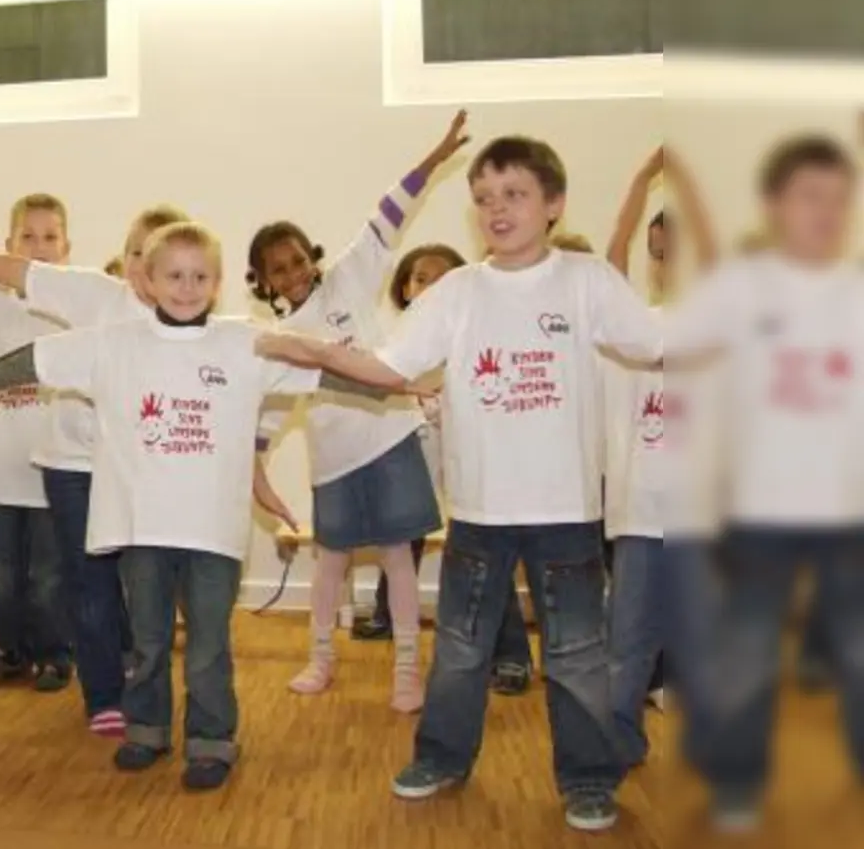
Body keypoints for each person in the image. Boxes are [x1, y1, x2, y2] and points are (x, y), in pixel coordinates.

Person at [258, 135, 661, 832]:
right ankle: (442, 758)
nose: (497, 209)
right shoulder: (456, 292)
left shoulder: (588, 280)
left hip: (568, 512)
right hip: (479, 513)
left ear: (554, 204)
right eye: (483, 198)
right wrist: (305, 348)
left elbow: (657, 342)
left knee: (575, 656)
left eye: (514, 195)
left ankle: (589, 779)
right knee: (462, 649)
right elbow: (387, 368)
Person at [0, 221, 324, 791]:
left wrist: (392, 379)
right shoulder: (115, 342)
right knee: (150, 639)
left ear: (218, 283)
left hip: (214, 533)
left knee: (207, 643)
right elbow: (43, 356)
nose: (187, 288)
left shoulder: (245, 342)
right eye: (175, 276)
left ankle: (211, 738)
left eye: (200, 277)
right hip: (142, 528)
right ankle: (147, 728)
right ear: (148, 280)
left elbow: (322, 363)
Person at [667, 134, 864, 833]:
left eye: (840, 198)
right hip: (757, 517)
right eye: (811, 196)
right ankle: (737, 781)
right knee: (748, 656)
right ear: (774, 204)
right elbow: (669, 347)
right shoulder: (738, 290)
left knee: (859, 653)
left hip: (850, 517)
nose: (827, 212)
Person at [247, 111, 469, 711]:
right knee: (330, 563)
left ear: (312, 256)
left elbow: (389, 211)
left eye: (298, 259)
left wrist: (435, 158)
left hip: (391, 442)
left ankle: (407, 671)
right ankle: (320, 660)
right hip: (334, 463)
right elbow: (265, 421)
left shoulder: (349, 277)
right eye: (277, 269)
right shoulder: (279, 340)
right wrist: (260, 480)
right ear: (263, 282)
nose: (292, 273)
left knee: (399, 558)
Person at [0, 204, 188, 737]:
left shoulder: (186, 326)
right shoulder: (95, 294)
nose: (144, 265)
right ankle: (102, 693)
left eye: (159, 256)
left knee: (145, 583)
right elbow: (16, 271)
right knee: (87, 583)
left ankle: (139, 674)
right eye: (137, 252)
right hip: (69, 466)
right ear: (125, 257)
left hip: (137, 470)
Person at [0, 194, 74, 690]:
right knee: (1, 568)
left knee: (49, 573)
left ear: (66, 249)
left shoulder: (71, 309)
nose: (39, 247)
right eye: (28, 236)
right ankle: (12, 648)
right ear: (8, 246)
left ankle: (54, 653)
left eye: (50, 237)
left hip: (53, 470)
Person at [353, 243, 467, 643]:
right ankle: (388, 613)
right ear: (405, 287)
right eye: (421, 279)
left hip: (461, 443)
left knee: (470, 531)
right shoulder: (393, 339)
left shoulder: (468, 335)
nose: (431, 289)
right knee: (403, 526)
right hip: (409, 437)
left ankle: (465, 623)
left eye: (442, 280)